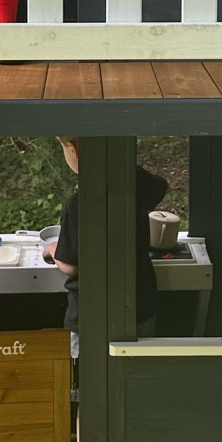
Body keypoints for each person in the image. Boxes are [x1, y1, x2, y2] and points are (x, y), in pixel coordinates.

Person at [44, 137, 170, 354]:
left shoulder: (79, 204)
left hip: (91, 314)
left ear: (73, 151)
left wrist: (52, 250)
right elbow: (159, 186)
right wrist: (118, 164)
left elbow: (72, 265)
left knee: (83, 381)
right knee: (135, 375)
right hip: (140, 306)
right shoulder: (135, 191)